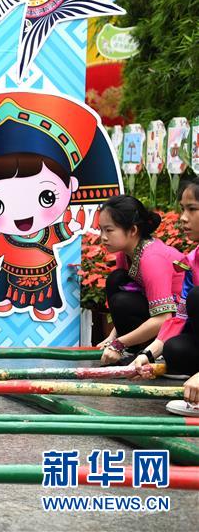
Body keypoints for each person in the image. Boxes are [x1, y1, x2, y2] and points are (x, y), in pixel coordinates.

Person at [131, 178, 199, 416]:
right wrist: (146, 355)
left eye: (192, 209)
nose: (183, 218)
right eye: (183, 209)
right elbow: (180, 318)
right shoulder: (192, 261)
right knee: (175, 349)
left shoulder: (153, 257)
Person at [96, 195, 186, 366]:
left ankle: (145, 352)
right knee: (116, 280)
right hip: (158, 314)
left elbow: (163, 318)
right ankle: (131, 350)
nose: (103, 237)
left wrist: (119, 344)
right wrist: (111, 339)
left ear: (132, 230)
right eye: (101, 230)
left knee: (121, 299)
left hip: (181, 321)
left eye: (109, 230)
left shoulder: (152, 258)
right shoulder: (125, 253)